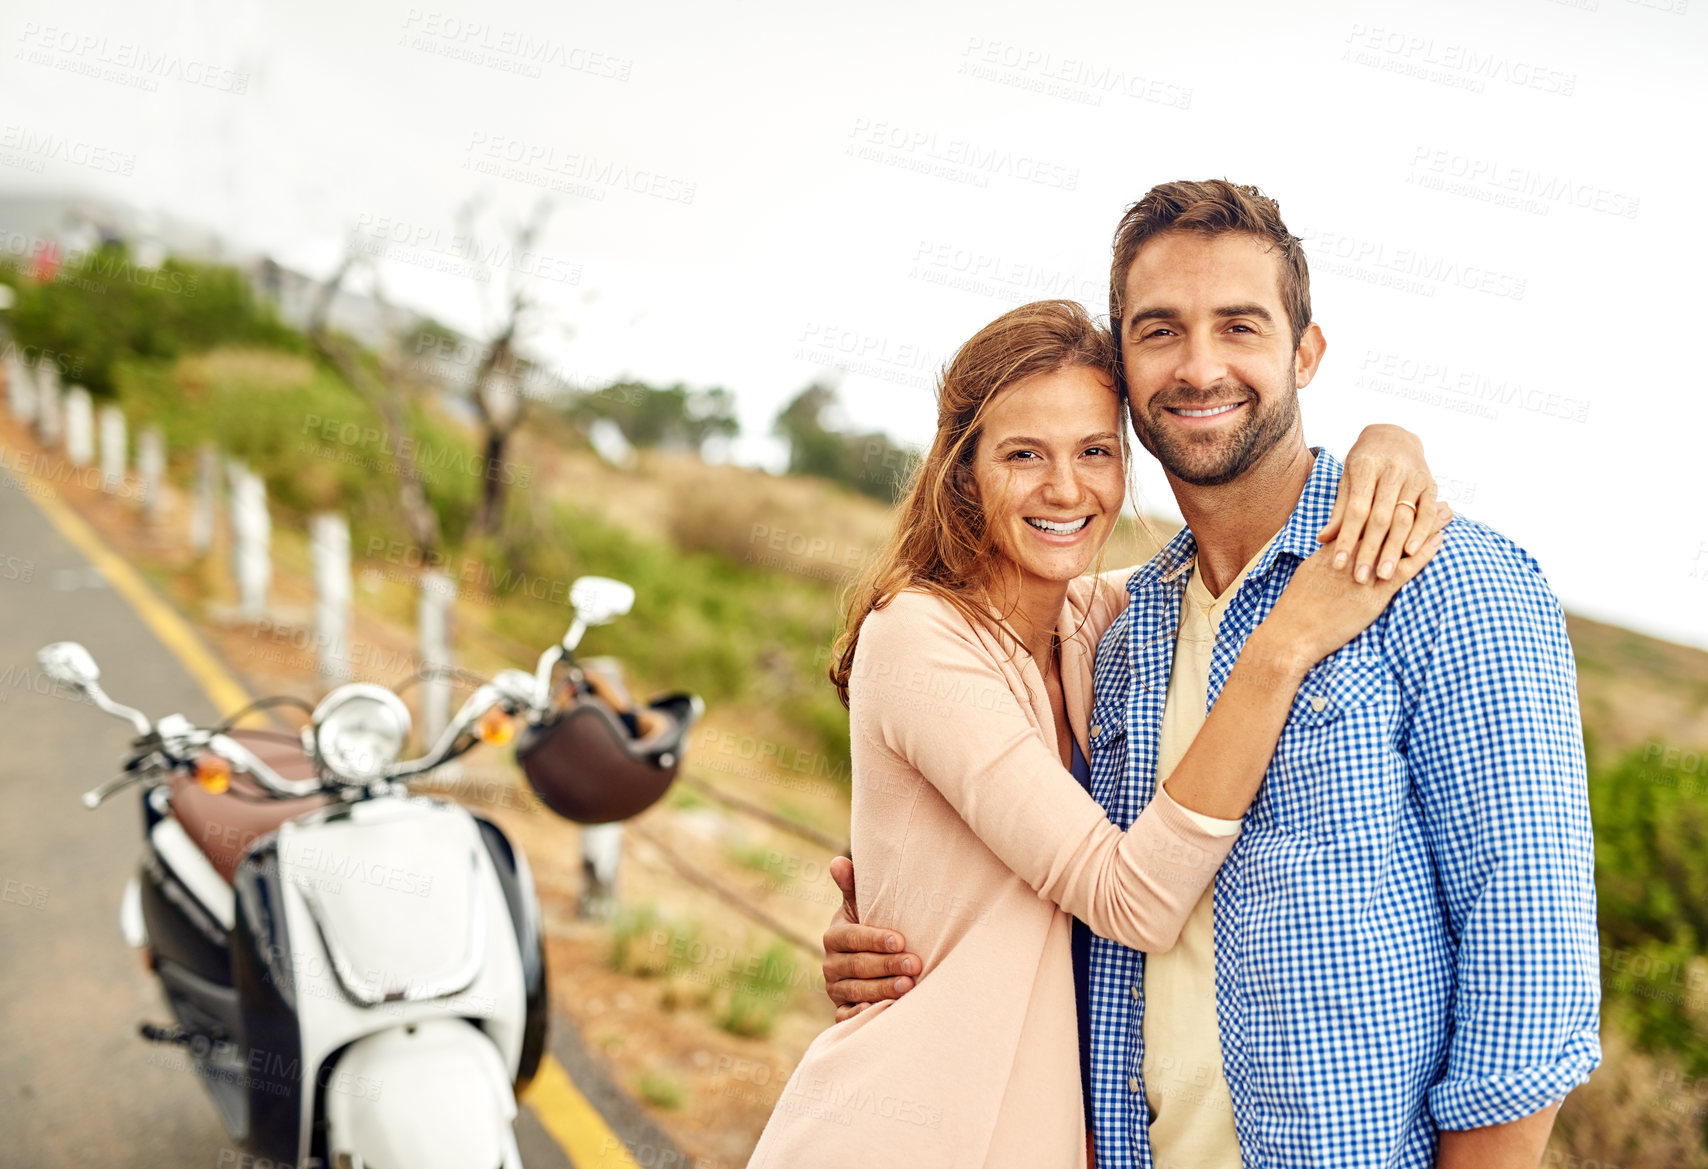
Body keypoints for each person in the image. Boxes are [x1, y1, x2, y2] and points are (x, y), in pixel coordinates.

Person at [823, 181, 1601, 1168]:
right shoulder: (1122, 626)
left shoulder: (1451, 581)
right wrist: (891, 916)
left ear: (1303, 352)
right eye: (1159, 331)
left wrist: (1391, 438)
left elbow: (1528, 958)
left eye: (1239, 325)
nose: (1198, 367)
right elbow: (1073, 876)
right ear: (1122, 362)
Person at [748, 296, 1448, 1168]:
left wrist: (1389, 444)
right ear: (962, 471)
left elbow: (1225, 551)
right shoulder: (919, 636)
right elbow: (1132, 899)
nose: (1067, 490)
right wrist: (1282, 651)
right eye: (1023, 455)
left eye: (1095, 452)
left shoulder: (1091, 618)